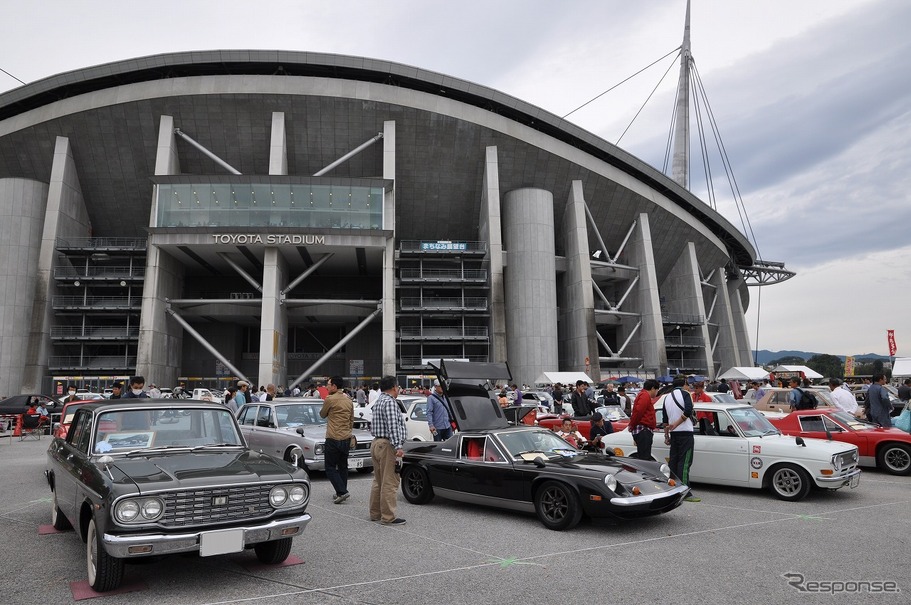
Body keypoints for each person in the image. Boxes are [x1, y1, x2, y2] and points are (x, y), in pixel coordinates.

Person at [369, 376, 407, 525]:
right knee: (389, 482)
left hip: (376, 443)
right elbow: (393, 426)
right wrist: (398, 446)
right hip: (387, 445)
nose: (398, 390)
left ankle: (375, 513)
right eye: (397, 387)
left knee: (378, 481)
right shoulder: (390, 402)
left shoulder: (379, 401)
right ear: (394, 387)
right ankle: (388, 516)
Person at [663, 376, 699, 502]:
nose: (688, 386)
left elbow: (664, 419)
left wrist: (667, 435)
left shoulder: (667, 397)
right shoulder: (686, 394)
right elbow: (688, 410)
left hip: (674, 434)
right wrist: (677, 424)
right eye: (687, 383)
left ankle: (672, 488)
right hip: (685, 432)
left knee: (673, 461)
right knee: (685, 462)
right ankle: (685, 491)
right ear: (684, 383)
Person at [320, 376, 354, 504]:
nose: (327, 387)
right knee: (343, 466)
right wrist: (348, 432)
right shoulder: (348, 400)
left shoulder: (330, 399)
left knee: (329, 467)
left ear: (334, 386)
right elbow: (351, 420)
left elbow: (322, 414)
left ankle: (342, 491)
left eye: (328, 384)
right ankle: (341, 491)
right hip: (346, 437)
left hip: (333, 437)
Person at [628, 379, 659, 460]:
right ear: (652, 388)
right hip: (643, 430)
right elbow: (638, 412)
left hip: (641, 430)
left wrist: (632, 426)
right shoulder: (645, 396)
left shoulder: (642, 395)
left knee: (643, 455)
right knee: (645, 457)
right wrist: (632, 425)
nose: (656, 392)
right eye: (656, 390)